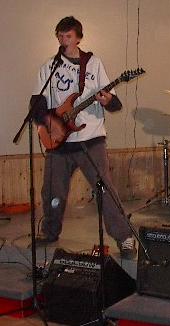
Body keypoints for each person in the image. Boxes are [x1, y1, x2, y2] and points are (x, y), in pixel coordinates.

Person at [30, 16, 136, 259]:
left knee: (105, 190)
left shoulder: (94, 63)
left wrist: (108, 100)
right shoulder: (49, 67)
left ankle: (125, 237)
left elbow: (114, 103)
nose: (63, 40)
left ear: (78, 38)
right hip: (59, 141)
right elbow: (37, 104)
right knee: (53, 192)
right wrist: (50, 125)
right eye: (59, 35)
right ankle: (50, 231)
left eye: (68, 36)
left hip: (91, 139)